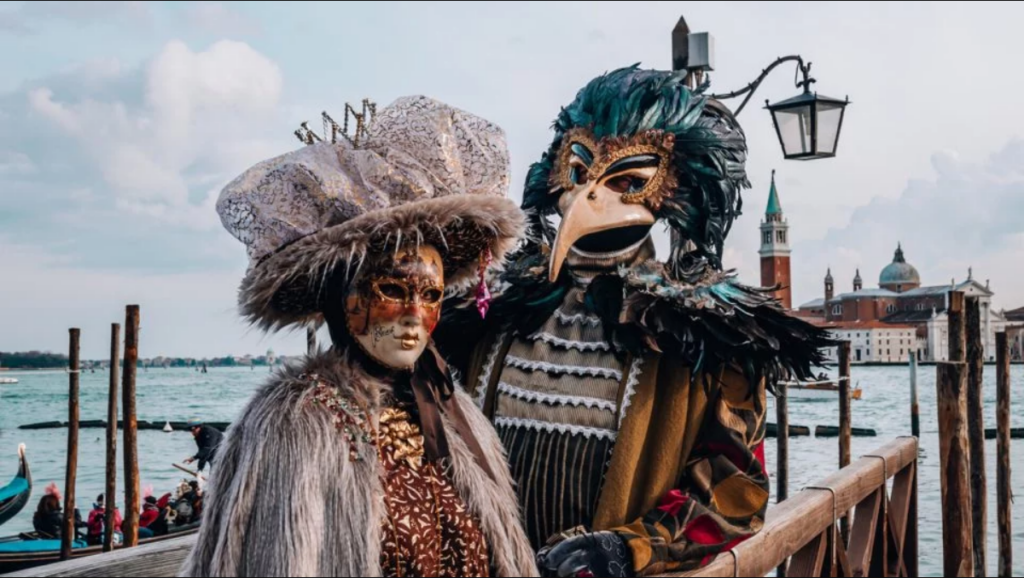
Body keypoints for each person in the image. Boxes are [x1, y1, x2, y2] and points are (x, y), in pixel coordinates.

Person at [436, 66, 831, 577]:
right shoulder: (491, 309)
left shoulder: (705, 335)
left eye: (628, 181)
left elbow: (736, 492)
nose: (590, 197)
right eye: (579, 173)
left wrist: (629, 550)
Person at [181, 96, 536, 577]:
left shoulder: (452, 408)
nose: (415, 313)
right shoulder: (296, 424)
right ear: (338, 298)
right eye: (391, 289)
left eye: (430, 295)